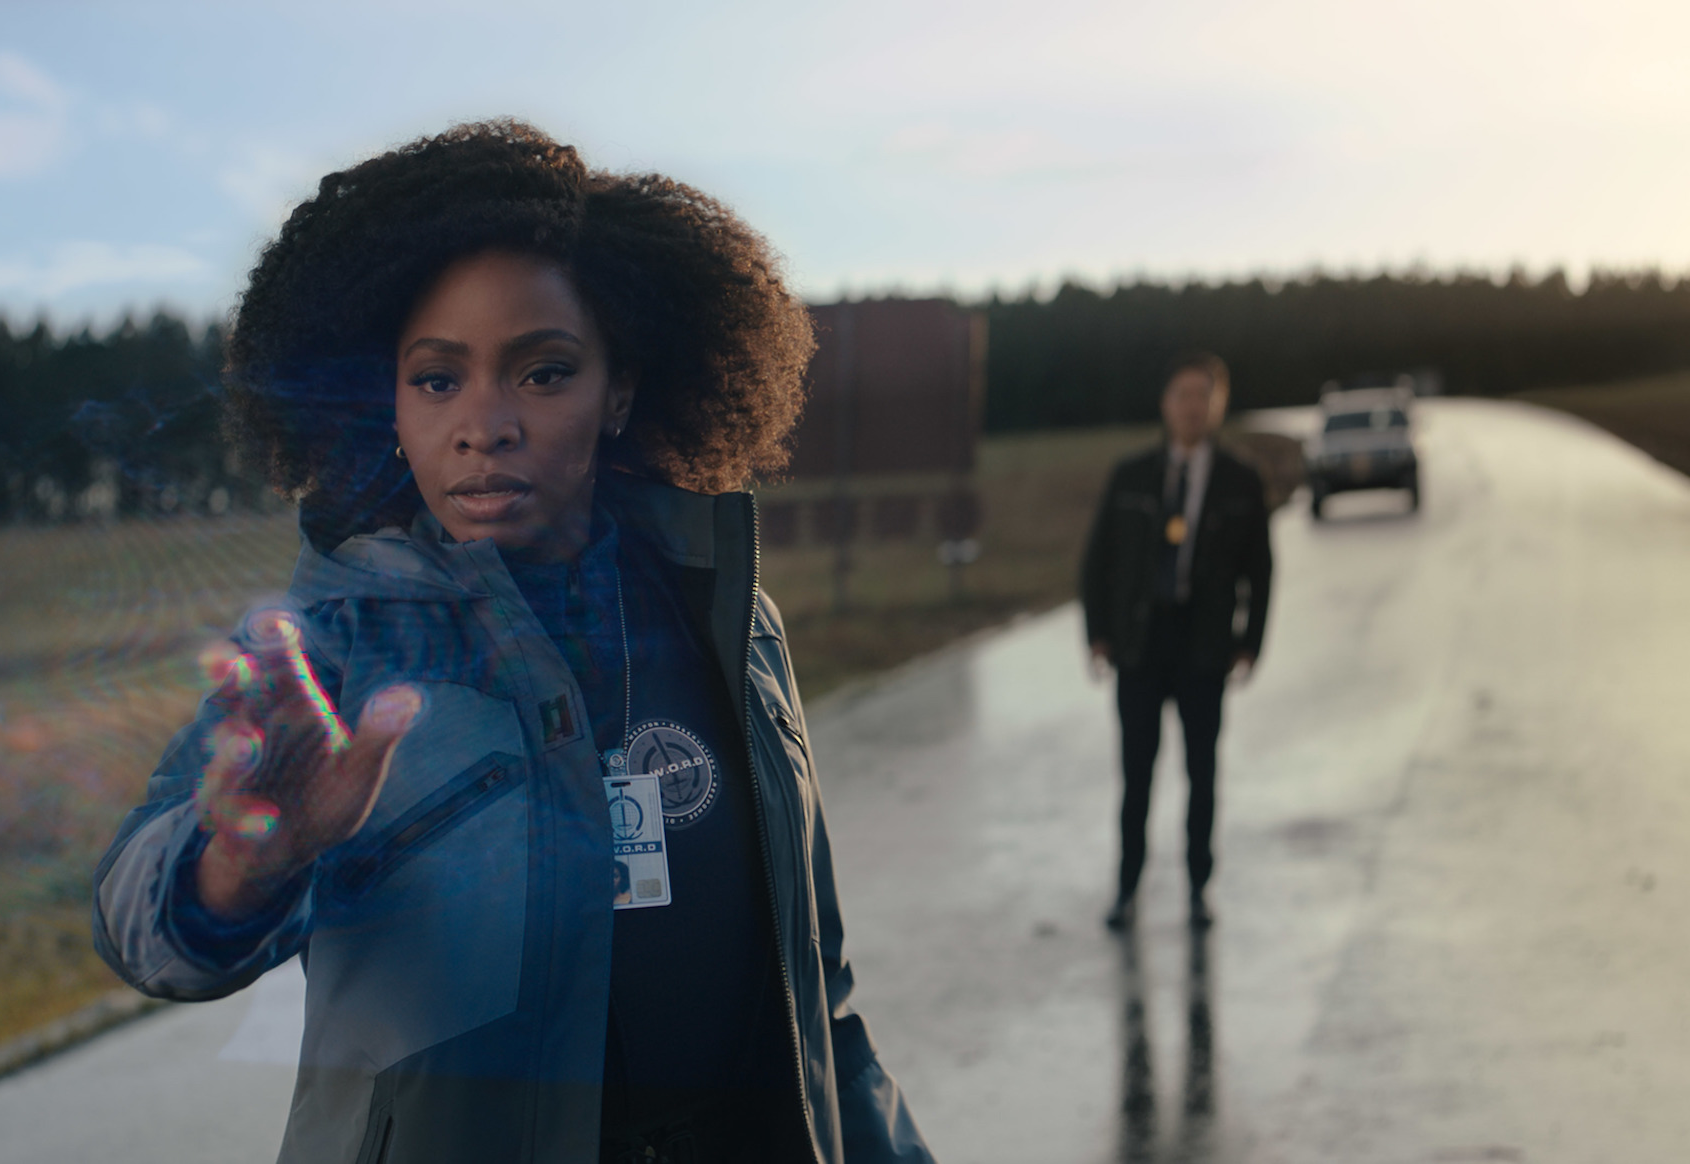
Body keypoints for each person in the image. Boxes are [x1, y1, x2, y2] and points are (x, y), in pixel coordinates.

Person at [91, 121, 934, 1164]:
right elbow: (142, 930)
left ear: (619, 390)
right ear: (386, 405)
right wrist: (239, 867)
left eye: (541, 373)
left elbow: (821, 1003)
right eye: (437, 379)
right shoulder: (334, 652)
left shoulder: (731, 617)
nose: (483, 424)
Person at [1080, 352, 1272, 931]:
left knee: (1201, 773)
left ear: (1218, 405)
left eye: (1202, 396)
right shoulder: (1131, 475)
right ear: (1166, 404)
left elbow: (1261, 570)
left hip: (1204, 646)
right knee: (1136, 775)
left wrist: (1250, 642)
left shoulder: (1240, 480)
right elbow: (1098, 559)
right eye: (1182, 395)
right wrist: (1099, 635)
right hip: (1141, 645)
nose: (1192, 406)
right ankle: (1126, 888)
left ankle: (1198, 888)